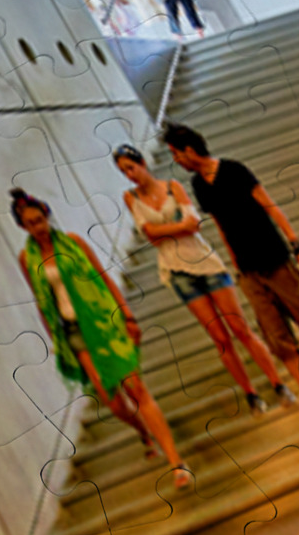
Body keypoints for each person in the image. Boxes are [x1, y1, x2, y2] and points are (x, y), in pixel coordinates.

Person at [162, 124, 299, 438]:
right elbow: (219, 225)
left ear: (189, 149)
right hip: (249, 273)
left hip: (276, 260)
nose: (176, 160)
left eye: (176, 153)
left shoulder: (234, 170)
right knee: (278, 339)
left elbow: (269, 204)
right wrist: (236, 265)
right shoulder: (199, 185)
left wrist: (297, 245)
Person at [12, 188, 190, 488]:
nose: (37, 227)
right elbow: (42, 302)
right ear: (22, 226)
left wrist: (126, 315)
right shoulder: (26, 259)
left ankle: (176, 462)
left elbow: (104, 278)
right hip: (73, 332)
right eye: (30, 223)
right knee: (111, 399)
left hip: (103, 322)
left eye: (40, 220)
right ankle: (143, 432)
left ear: (47, 216)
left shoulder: (73, 242)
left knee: (136, 388)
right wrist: (55, 343)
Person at [113, 144, 289, 416]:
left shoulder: (172, 187)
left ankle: (278, 383)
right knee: (220, 337)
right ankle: (250, 393)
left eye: (131, 167)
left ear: (142, 163)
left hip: (205, 263)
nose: (130, 174)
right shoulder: (131, 197)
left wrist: (169, 230)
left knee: (239, 327)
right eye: (124, 171)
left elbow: (194, 224)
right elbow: (149, 234)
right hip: (176, 270)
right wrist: (177, 227)